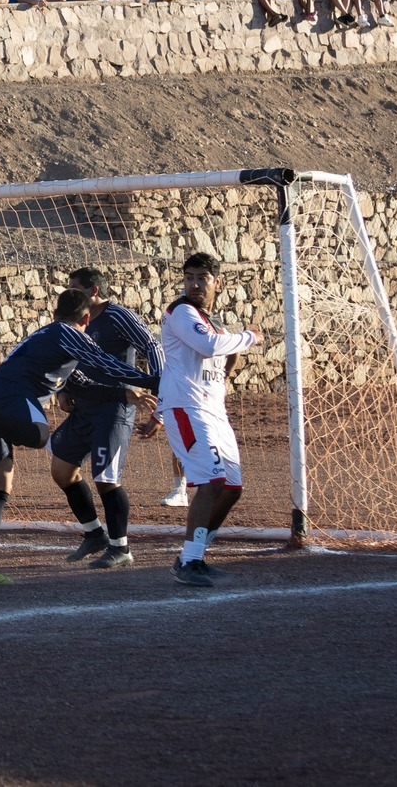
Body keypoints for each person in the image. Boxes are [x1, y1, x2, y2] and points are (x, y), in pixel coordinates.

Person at [0, 288, 158, 586]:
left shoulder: (46, 337)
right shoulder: (69, 333)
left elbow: (80, 380)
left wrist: (123, 392)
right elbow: (103, 361)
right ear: (85, 317)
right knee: (40, 435)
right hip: (10, 394)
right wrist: (154, 380)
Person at [155, 252, 262, 588]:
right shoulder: (180, 311)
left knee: (232, 488)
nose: (194, 284)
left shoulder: (215, 323)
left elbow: (223, 352)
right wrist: (250, 337)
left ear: (218, 282)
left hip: (214, 411)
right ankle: (189, 561)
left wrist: (228, 367)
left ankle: (195, 554)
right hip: (188, 408)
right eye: (189, 277)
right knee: (211, 481)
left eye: (202, 278)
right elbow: (208, 344)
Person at [49, 268, 160, 571]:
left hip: (115, 408)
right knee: (61, 470)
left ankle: (120, 547)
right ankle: (94, 533)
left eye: (75, 288)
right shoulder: (73, 321)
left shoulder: (119, 317)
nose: (70, 294)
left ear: (93, 291)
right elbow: (65, 357)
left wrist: (160, 391)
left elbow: (152, 346)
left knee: (106, 480)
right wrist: (63, 392)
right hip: (84, 407)